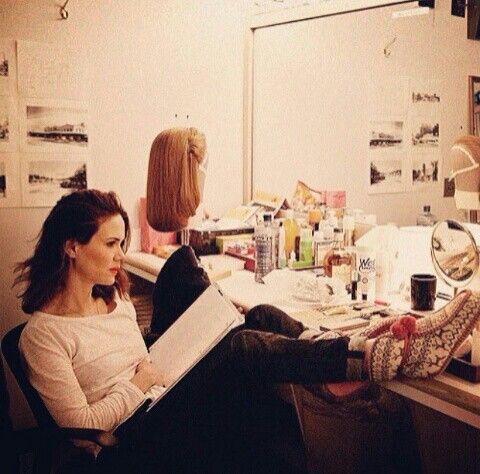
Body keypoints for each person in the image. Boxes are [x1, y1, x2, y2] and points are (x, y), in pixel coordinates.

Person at [14, 159, 479, 470]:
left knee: (257, 314)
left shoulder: (110, 298)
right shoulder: (42, 335)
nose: (121, 254)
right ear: (72, 247)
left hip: (156, 384)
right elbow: (82, 430)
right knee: (239, 346)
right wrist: (140, 383)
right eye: (111, 244)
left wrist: (180, 345)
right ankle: (369, 357)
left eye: (122, 242)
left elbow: (134, 354)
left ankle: (341, 350)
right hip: (133, 434)